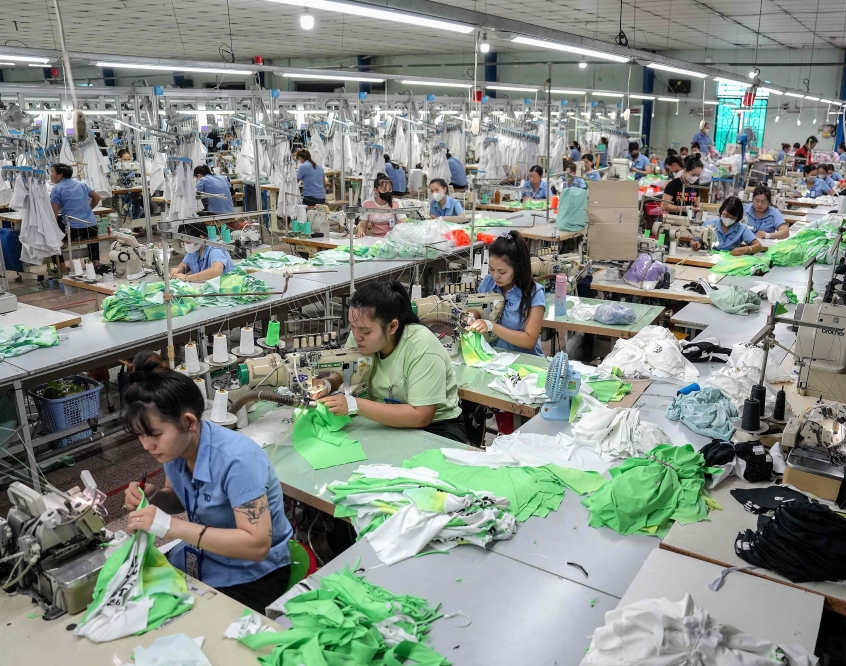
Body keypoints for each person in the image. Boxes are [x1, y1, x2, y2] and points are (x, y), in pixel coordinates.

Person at [121, 351, 293, 614]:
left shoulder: (238, 460)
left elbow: (257, 546)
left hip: (251, 574)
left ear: (188, 422)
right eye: (140, 436)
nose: (147, 446)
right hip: (203, 556)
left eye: (154, 434)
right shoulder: (176, 450)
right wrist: (154, 497)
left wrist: (169, 526)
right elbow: (181, 498)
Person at [313, 281, 466, 443]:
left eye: (366, 331)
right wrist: (329, 383)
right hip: (382, 423)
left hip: (435, 429)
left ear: (392, 326)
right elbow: (351, 368)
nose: (356, 336)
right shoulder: (359, 334)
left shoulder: (422, 347)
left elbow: (421, 416)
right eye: (352, 327)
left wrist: (354, 404)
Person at [469, 230, 545, 356]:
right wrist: (471, 319)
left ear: (517, 268)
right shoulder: (488, 282)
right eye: (491, 269)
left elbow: (529, 340)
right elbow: (475, 310)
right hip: (492, 356)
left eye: (502, 272)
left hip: (523, 361)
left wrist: (492, 326)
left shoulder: (534, 293)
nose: (495, 276)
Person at [50, 163, 103, 266]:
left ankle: (62, 268)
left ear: (60, 175)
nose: (50, 175)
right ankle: (96, 264)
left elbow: (54, 214)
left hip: (72, 230)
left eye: (52, 172)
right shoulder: (82, 185)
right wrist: (88, 209)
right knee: (92, 239)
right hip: (91, 228)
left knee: (51, 240)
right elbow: (97, 197)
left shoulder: (57, 189)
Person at [691, 196, 764, 256]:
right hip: (709, 259)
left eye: (732, 218)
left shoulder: (742, 229)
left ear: (737, 217)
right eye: (726, 215)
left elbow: (759, 247)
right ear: (722, 210)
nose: (728, 219)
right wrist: (694, 243)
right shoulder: (709, 224)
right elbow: (695, 240)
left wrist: (746, 249)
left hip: (730, 262)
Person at [170, 222, 236, 281]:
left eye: (187, 242)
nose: (185, 244)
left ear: (200, 238)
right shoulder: (196, 249)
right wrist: (178, 269)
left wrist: (186, 277)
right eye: (183, 242)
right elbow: (185, 264)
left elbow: (216, 271)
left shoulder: (215, 250)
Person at [357, 173, 405, 237]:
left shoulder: (396, 203)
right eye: (384, 190)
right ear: (375, 190)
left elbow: (402, 224)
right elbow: (362, 227)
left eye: (390, 190)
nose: (387, 192)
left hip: (393, 239)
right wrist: (361, 232)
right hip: (375, 239)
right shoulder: (367, 204)